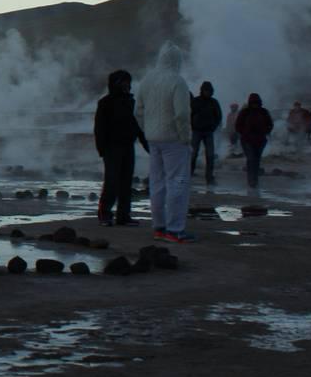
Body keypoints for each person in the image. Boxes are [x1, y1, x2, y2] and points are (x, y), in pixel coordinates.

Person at [136, 42, 194, 244]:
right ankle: (175, 229)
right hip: (174, 141)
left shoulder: (147, 80)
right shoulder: (177, 81)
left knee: (157, 183)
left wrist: (147, 131)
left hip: (154, 140)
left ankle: (159, 227)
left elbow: (138, 112)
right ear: (177, 60)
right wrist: (185, 137)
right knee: (177, 182)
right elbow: (182, 114)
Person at [93, 69, 148, 227]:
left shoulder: (130, 102)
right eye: (123, 82)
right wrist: (101, 149)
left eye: (128, 82)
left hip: (127, 146)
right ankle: (105, 214)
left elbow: (137, 126)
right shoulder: (105, 103)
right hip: (112, 148)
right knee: (112, 181)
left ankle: (123, 216)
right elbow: (99, 128)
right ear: (115, 84)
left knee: (126, 182)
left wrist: (146, 145)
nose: (127, 85)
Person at [235, 93, 274, 193]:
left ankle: (254, 180)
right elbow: (238, 125)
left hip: (260, 140)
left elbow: (270, 124)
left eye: (256, 103)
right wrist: (244, 133)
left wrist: (265, 132)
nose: (255, 105)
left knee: (256, 160)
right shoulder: (245, 112)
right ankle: (251, 181)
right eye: (253, 103)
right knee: (251, 159)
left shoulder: (263, 112)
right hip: (247, 140)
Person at [188, 81, 223, 186]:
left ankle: (209, 177)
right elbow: (189, 114)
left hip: (208, 131)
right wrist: (193, 125)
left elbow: (218, 117)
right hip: (197, 131)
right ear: (202, 90)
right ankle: (189, 175)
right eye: (205, 90)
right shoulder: (195, 101)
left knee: (210, 155)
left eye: (209, 91)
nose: (207, 92)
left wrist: (213, 127)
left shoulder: (214, 102)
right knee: (193, 154)